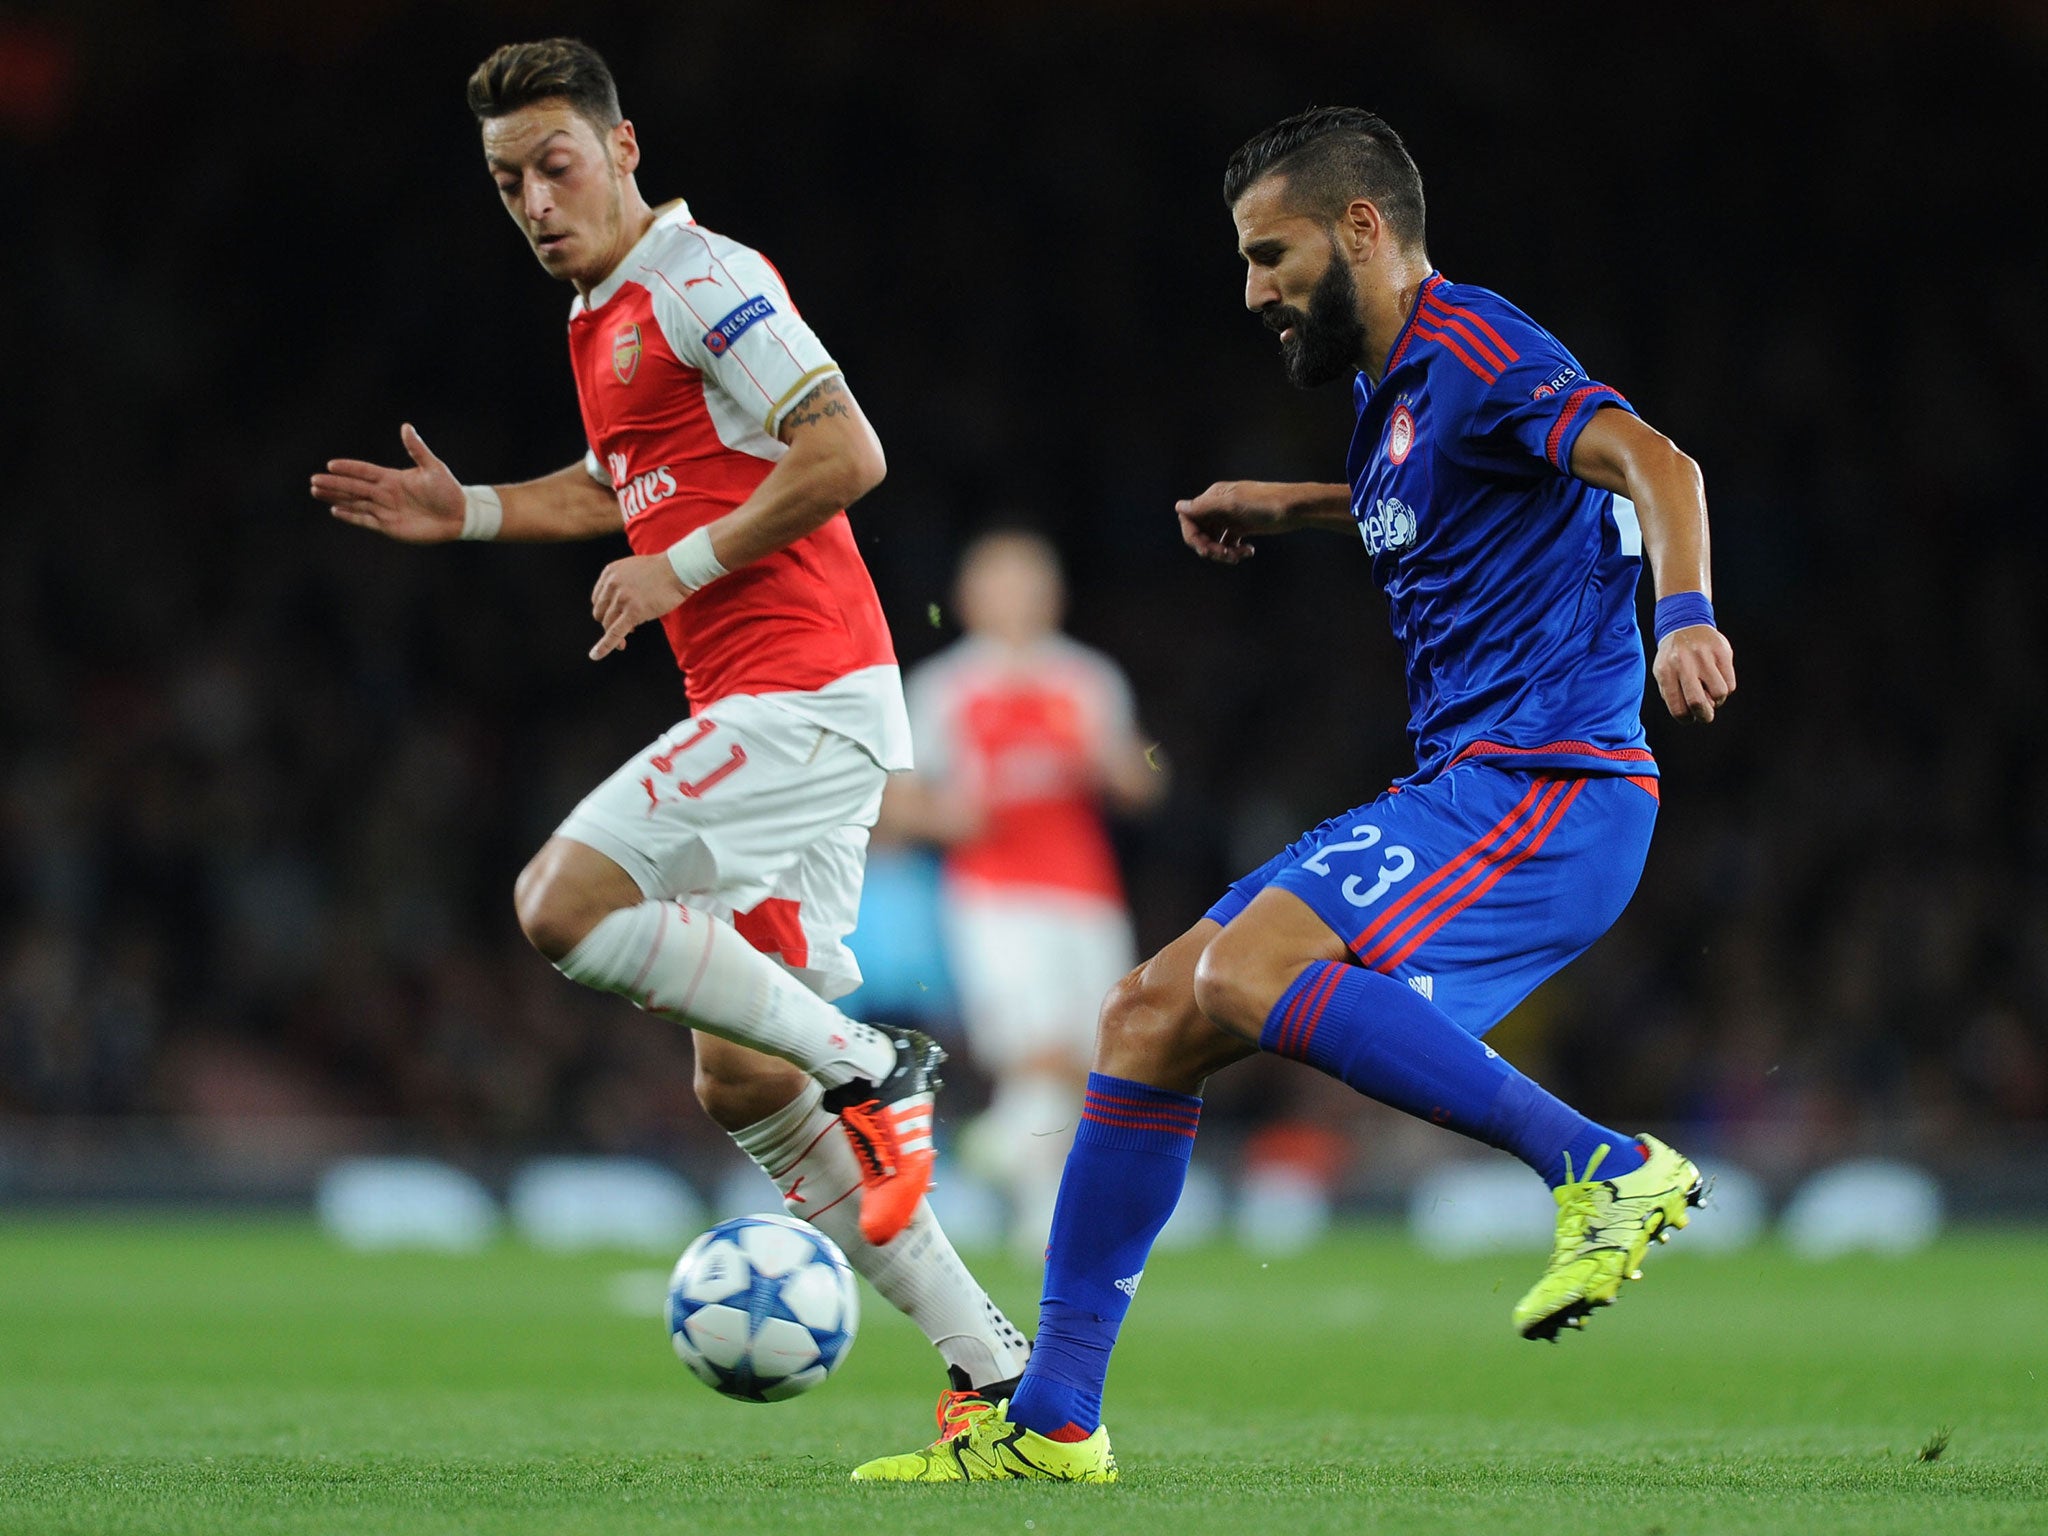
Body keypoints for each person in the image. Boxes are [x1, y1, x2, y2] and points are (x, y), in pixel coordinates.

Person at [853, 105, 1736, 1482]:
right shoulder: (1394, 390)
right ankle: (1054, 1425)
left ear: (1364, 230)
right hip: (1467, 785)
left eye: (1272, 257)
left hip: (1548, 786)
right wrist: (1296, 503)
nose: (1253, 290)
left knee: (1246, 971)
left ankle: (1603, 1166)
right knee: (1146, 1014)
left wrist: (1684, 613)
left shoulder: (1482, 347)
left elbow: (1656, 461)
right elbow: (1433, 492)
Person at [309, 38, 1031, 1411]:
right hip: (786, 703)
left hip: (802, 689)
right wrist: (465, 513)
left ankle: (880, 1064)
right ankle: (1002, 1383)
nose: (532, 199)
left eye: (555, 165)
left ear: (625, 149)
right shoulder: (600, 313)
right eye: (507, 179)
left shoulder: (706, 278)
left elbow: (846, 451)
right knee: (743, 1080)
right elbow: (617, 487)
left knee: (560, 901)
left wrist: (681, 570)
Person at [884, 529, 1165, 1259]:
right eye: (1000, 584)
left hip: (1085, 888)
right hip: (993, 894)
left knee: (1091, 1053)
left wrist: (1124, 764)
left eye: (1029, 583)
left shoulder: (1086, 680)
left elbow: (1142, 775)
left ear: (1054, 595)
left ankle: (1040, 1208)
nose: (1015, 599)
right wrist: (954, 814)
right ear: (970, 599)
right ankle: (999, 1143)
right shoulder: (946, 688)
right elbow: (898, 801)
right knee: (1034, 1046)